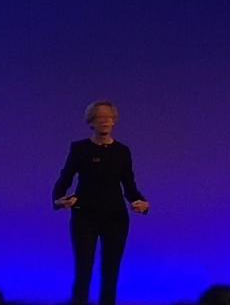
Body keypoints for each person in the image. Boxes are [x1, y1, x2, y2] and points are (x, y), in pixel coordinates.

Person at [52, 100, 150, 305]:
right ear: (91, 122)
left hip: (115, 217)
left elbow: (129, 184)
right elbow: (65, 177)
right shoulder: (80, 149)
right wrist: (59, 199)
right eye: (100, 117)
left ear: (114, 121)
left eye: (109, 117)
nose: (105, 121)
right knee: (83, 271)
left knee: (111, 272)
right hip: (85, 215)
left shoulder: (122, 151)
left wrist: (141, 203)